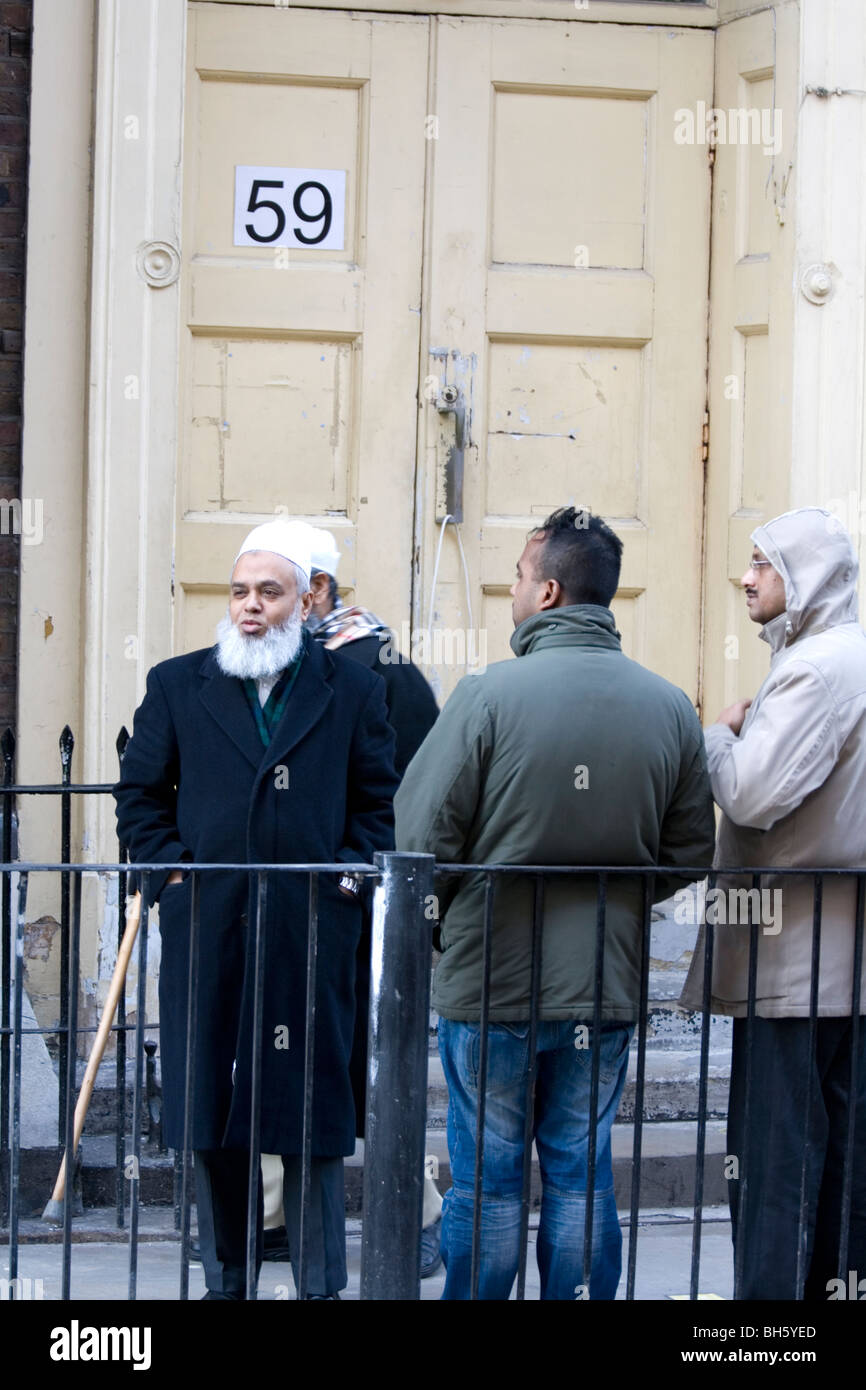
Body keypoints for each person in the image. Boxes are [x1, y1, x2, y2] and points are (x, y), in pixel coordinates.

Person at [395, 506, 716, 1300]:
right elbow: (687, 854)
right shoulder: (670, 705)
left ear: (545, 591)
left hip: (490, 978)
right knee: (580, 1170)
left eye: (514, 575)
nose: (508, 589)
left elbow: (418, 834)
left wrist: (454, 907)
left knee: (487, 1174)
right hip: (603, 984)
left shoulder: (488, 695)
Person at [113, 520, 398, 1299]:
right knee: (212, 1108)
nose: (248, 607)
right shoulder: (179, 683)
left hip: (312, 931)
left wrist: (345, 881)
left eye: (268, 593)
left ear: (306, 601)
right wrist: (171, 876)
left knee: (310, 1113)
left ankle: (318, 1284)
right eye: (239, 591)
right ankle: (226, 1279)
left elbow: (379, 810)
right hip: (210, 925)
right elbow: (140, 798)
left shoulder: (356, 691)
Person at [680, 507, 866, 1300]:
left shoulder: (814, 669)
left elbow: (753, 795)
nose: (747, 576)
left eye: (763, 561)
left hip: (791, 961)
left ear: (806, 577)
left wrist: (719, 736)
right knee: (844, 1164)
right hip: (843, 960)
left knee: (774, 1164)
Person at [259, 524, 444, 1273]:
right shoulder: (268, 667)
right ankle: (276, 1212)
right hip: (285, 892)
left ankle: (418, 1210)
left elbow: (420, 785)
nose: (257, 606)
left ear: (319, 591)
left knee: (363, 1056)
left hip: (359, 897)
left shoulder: (381, 669)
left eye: (275, 589)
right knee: (276, 1046)